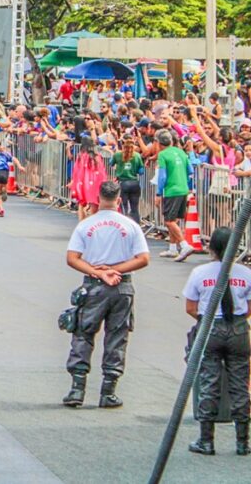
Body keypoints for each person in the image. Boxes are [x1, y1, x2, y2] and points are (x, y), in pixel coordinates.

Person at [62, 180, 150, 409]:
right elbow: (143, 258)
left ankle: (77, 389)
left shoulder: (85, 225)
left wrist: (98, 272)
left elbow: (72, 258)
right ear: (119, 201)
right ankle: (108, 391)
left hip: (94, 284)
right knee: (117, 336)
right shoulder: (130, 226)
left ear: (98, 199)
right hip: (122, 285)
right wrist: (116, 270)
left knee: (83, 333)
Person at [183, 226, 251, 456]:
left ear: (211, 247)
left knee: (209, 382)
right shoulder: (245, 273)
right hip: (238, 329)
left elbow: (190, 307)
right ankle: (243, 442)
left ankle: (206, 440)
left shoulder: (200, 273)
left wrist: (209, 319)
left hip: (211, 328)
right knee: (240, 384)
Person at [155, 129, 194, 262]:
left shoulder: (163, 155)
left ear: (159, 143)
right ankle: (172, 248)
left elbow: (162, 177)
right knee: (174, 219)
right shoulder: (181, 152)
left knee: (169, 221)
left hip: (172, 190)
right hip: (183, 188)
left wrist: (159, 193)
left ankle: (184, 245)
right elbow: (190, 170)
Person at [111, 136, 144, 225]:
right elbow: (141, 171)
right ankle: (136, 225)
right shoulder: (137, 155)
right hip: (135, 183)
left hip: (123, 183)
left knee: (123, 206)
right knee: (134, 207)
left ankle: (124, 225)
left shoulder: (118, 154)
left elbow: (111, 163)